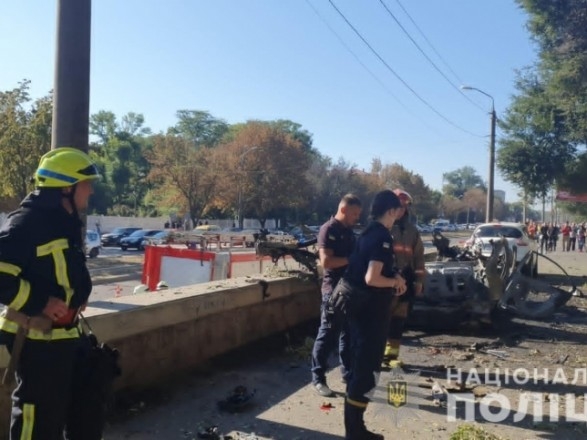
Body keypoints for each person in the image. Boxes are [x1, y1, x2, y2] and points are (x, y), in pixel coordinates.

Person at [0, 147, 100, 439]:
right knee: (37, 417)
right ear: (67, 188)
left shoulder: (64, 221)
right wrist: (41, 302)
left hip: (67, 336)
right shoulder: (27, 224)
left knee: (76, 410)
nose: (90, 191)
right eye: (86, 184)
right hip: (37, 340)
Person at [342, 190, 407, 440]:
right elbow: (372, 278)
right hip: (371, 315)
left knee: (361, 370)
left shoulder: (368, 232)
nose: (400, 214)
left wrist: (395, 277)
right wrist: (393, 282)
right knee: (366, 372)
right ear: (391, 211)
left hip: (361, 312)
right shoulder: (382, 237)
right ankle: (355, 432)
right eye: (398, 209)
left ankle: (355, 429)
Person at [310, 194, 362, 397]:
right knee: (327, 335)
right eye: (355, 214)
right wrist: (352, 260)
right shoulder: (328, 229)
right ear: (344, 210)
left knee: (348, 336)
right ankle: (318, 378)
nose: (357, 218)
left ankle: (348, 374)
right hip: (333, 292)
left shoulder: (349, 232)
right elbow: (326, 262)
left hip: (350, 291)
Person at [382, 189, 425, 369]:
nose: (400, 210)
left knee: (398, 322)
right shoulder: (382, 227)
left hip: (405, 282)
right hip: (384, 281)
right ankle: (375, 356)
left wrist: (419, 281)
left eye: (404, 207)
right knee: (381, 321)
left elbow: (418, 257)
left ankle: (390, 357)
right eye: (398, 206)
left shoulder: (411, 230)